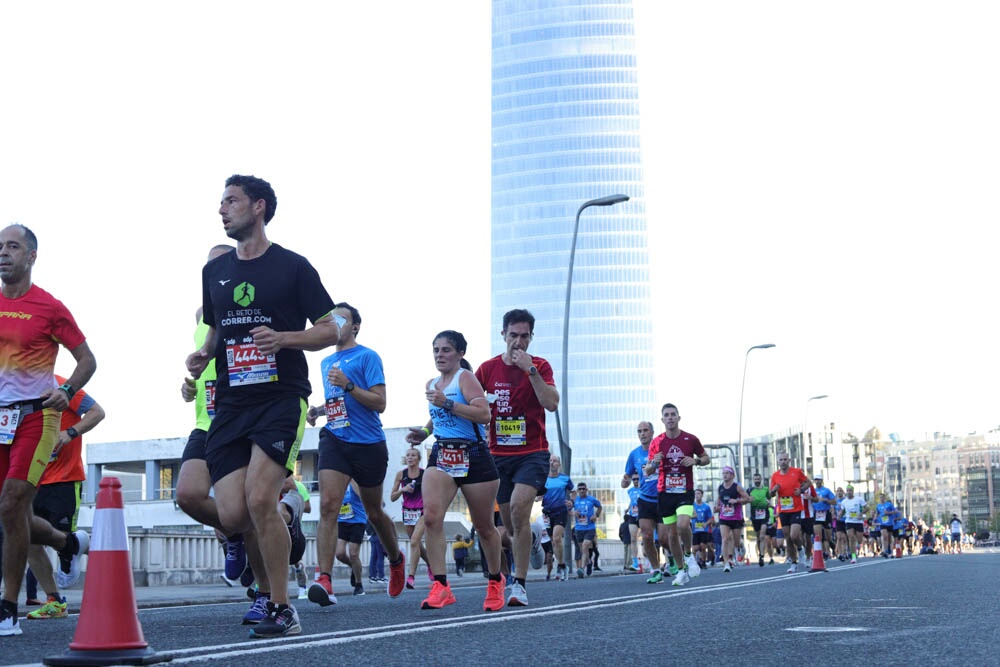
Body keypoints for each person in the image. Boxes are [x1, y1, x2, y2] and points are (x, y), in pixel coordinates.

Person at [185, 175, 340, 638]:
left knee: (258, 497)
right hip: (231, 404)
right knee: (234, 515)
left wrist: (285, 339)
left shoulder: (293, 267)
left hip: (281, 397)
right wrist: (203, 355)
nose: (221, 209)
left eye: (230, 201)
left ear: (258, 206)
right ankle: (284, 532)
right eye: (220, 202)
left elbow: (331, 329)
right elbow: (216, 332)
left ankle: (280, 606)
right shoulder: (215, 272)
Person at [0, 224, 97, 637]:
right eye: (0, 246)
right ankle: (65, 542)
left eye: (13, 246)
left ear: (32, 256)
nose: (3, 253)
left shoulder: (50, 307)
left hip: (38, 417)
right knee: (12, 512)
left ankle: (8, 606)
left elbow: (87, 360)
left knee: (11, 504)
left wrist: (69, 391)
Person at [303, 302, 406, 606]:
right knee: (329, 505)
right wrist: (320, 410)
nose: (334, 323)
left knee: (374, 512)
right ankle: (324, 578)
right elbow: (339, 404)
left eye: (340, 319)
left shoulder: (367, 357)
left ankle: (397, 560)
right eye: (330, 318)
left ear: (355, 327)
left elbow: (379, 402)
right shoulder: (325, 363)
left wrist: (348, 385)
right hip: (335, 438)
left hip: (368, 444)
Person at [176, 246, 257, 600]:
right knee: (188, 495)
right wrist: (190, 384)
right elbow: (205, 364)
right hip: (206, 420)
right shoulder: (200, 315)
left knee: (250, 505)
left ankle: (270, 591)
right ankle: (235, 533)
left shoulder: (251, 307)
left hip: (244, 419)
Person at [405, 330, 505, 612]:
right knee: (432, 517)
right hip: (443, 453)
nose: (440, 355)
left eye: (446, 350)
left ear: (460, 353)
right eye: (436, 350)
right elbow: (439, 417)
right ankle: (441, 586)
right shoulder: (433, 383)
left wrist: (447, 402)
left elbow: (484, 414)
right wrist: (423, 432)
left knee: (485, 527)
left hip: (473, 454)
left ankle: (496, 581)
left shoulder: (466, 378)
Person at [474, 308, 559, 607]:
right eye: (513, 335)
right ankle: (532, 540)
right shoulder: (487, 369)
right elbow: (466, 399)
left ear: (531, 337)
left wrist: (530, 371)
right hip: (497, 455)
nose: (518, 342)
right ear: (503, 335)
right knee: (509, 527)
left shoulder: (541, 366)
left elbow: (551, 403)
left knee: (521, 511)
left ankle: (519, 585)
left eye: (524, 336)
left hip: (532, 453)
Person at [21, 375, 105, 619]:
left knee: (57, 537)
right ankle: (55, 601)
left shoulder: (59, 384)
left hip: (63, 479)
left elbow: (97, 412)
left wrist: (69, 433)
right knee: (28, 540)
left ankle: (71, 547)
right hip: (30, 478)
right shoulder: (12, 394)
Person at [645, 403, 709, 587]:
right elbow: (647, 471)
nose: (670, 417)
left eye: (673, 414)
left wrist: (695, 460)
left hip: (684, 490)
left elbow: (706, 458)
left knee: (682, 524)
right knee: (672, 534)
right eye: (667, 415)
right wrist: (654, 464)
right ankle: (681, 571)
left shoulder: (690, 439)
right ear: (662, 419)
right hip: (665, 492)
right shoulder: (657, 442)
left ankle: (689, 557)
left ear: (679, 418)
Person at [623, 421, 668, 583]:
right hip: (645, 499)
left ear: (652, 432)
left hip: (662, 498)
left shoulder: (661, 449)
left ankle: (673, 558)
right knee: (647, 536)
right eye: (639, 431)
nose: (642, 434)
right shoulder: (634, 454)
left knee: (663, 538)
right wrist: (625, 481)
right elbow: (627, 475)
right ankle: (656, 570)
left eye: (645, 431)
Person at [390, 447, 430, 588]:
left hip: (422, 512)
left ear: (418, 458)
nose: (410, 457)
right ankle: (431, 565)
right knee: (417, 544)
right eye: (408, 455)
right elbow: (392, 497)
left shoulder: (425, 474)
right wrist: (403, 489)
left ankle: (411, 577)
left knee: (414, 541)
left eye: (413, 455)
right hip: (407, 513)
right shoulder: (401, 474)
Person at [768, 451, 811, 573]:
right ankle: (793, 563)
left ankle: (800, 549)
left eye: (785, 459)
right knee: (788, 538)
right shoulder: (775, 476)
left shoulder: (796, 472)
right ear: (778, 461)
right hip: (783, 509)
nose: (783, 462)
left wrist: (801, 490)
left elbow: (808, 482)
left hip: (796, 508)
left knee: (794, 535)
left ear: (789, 460)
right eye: (781, 460)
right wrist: (774, 490)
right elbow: (770, 494)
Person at [541, 456, 573, 581]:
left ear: (559, 464)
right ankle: (561, 565)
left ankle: (561, 566)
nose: (552, 463)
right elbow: (537, 492)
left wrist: (572, 501)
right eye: (550, 461)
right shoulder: (543, 479)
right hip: (547, 513)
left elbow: (573, 491)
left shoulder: (565, 478)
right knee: (553, 542)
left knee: (556, 537)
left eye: (554, 461)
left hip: (561, 511)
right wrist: (537, 497)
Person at [334, 482, 367, 596]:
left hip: (358, 520)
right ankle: (354, 567)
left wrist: (351, 479)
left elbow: (361, 495)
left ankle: (359, 584)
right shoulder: (338, 481)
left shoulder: (355, 480)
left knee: (353, 554)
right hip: (342, 520)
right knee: (339, 554)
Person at [715, 465, 750, 572]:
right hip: (724, 517)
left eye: (727, 473)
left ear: (732, 475)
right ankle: (726, 563)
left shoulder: (737, 487)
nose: (725, 475)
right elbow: (719, 500)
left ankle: (739, 548)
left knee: (735, 541)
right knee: (725, 539)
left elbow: (747, 499)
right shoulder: (720, 487)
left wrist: (737, 501)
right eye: (723, 473)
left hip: (736, 518)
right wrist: (717, 507)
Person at [572, 482, 601, 578]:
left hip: (590, 528)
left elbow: (600, 506)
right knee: (582, 549)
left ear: (586, 490)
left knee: (585, 547)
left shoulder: (591, 499)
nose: (581, 490)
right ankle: (589, 562)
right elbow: (568, 511)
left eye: (583, 489)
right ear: (577, 490)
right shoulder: (574, 500)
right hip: (579, 528)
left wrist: (596, 515)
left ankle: (582, 569)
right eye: (579, 489)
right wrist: (573, 512)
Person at [837, 485, 866, 563]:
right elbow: (843, 511)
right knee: (851, 537)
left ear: (852, 491)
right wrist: (840, 515)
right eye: (847, 490)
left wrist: (861, 513)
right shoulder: (844, 502)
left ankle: (857, 545)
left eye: (850, 490)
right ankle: (853, 556)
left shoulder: (859, 499)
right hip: (849, 521)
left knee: (859, 540)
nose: (849, 492)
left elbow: (866, 508)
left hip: (858, 521)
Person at [811, 475, 837, 559]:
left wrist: (826, 500)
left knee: (828, 537)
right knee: (818, 535)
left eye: (819, 480)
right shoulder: (813, 491)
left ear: (822, 481)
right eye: (816, 480)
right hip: (817, 513)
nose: (817, 481)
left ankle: (832, 545)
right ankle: (822, 553)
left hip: (826, 513)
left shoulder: (827, 490)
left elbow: (834, 501)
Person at [747, 472, 771, 566]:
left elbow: (769, 497)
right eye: (755, 479)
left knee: (762, 535)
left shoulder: (765, 489)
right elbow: (744, 498)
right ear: (753, 480)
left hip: (764, 514)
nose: (757, 481)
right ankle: (760, 553)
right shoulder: (750, 490)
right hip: (755, 515)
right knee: (758, 537)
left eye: (758, 479)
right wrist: (748, 499)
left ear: (761, 480)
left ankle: (761, 556)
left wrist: (768, 502)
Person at [690, 488, 714, 568]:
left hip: (704, 529)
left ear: (702, 495)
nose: (697, 495)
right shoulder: (692, 506)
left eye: (698, 494)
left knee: (703, 546)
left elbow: (711, 518)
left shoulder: (706, 506)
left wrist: (706, 523)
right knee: (695, 548)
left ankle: (703, 561)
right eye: (695, 494)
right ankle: (692, 563)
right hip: (695, 530)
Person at [622, 473, 641, 571]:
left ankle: (651, 561)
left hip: (643, 515)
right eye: (634, 479)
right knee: (633, 539)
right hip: (632, 515)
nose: (636, 481)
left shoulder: (644, 489)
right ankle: (635, 562)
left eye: (638, 479)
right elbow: (632, 501)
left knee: (647, 538)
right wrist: (628, 508)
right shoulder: (630, 491)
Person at [875, 493, 896, 558]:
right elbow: (877, 513)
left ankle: (889, 548)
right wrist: (875, 518)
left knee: (889, 537)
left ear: (885, 498)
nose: (881, 499)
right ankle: (885, 550)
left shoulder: (889, 504)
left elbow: (895, 511)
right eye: (880, 497)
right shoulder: (878, 505)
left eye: (882, 497)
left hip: (889, 523)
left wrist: (888, 513)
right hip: (882, 523)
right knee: (884, 536)